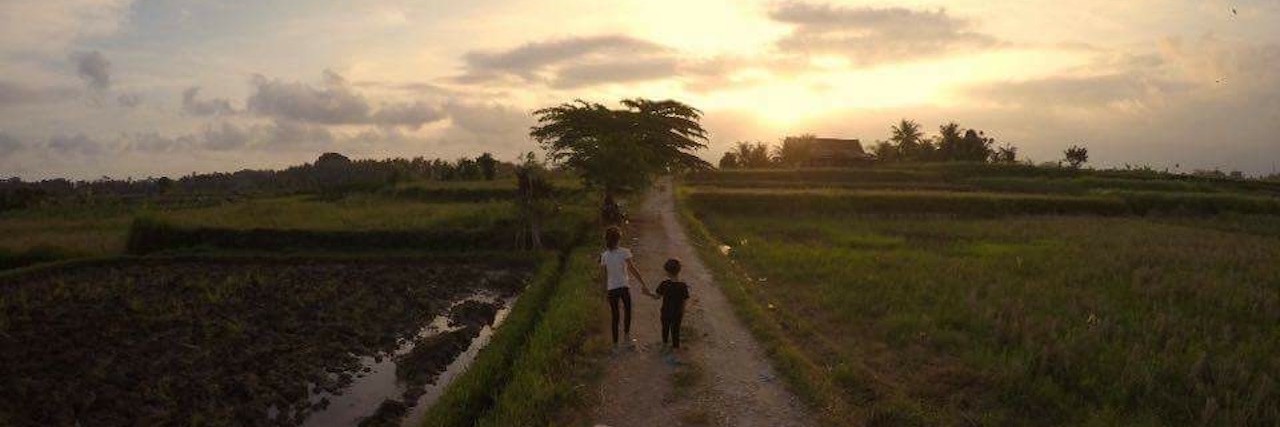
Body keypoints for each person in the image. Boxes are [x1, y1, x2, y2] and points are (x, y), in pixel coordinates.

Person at [599, 226, 648, 349]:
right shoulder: (625, 252)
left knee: (615, 316)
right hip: (624, 287)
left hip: (612, 289)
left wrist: (604, 291)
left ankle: (615, 343)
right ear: (619, 239)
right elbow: (632, 269)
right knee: (628, 311)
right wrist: (642, 282)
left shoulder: (604, 255)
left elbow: (604, 276)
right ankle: (626, 335)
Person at [652, 258, 690, 351]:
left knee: (665, 329)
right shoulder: (683, 286)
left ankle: (664, 345)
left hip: (665, 312)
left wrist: (647, 293)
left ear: (667, 272)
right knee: (675, 331)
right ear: (679, 270)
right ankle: (675, 348)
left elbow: (657, 297)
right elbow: (684, 301)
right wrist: (683, 312)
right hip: (677, 313)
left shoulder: (664, 284)